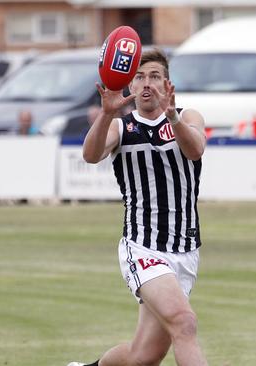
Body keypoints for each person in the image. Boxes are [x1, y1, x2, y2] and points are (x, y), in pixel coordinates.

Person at [69, 49, 208, 366]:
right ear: (130, 86)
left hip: (185, 250)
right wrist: (106, 114)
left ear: (168, 83)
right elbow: (90, 156)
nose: (147, 84)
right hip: (143, 247)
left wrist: (172, 116)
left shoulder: (188, 118)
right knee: (184, 322)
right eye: (139, 77)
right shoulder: (121, 127)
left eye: (155, 77)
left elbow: (195, 149)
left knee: (143, 356)